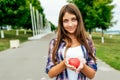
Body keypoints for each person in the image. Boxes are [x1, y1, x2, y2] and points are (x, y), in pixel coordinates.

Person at [45, 3, 97, 80]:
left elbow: (92, 75)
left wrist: (82, 65)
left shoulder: (88, 43)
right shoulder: (55, 43)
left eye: (73, 19)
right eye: (66, 21)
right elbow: (50, 74)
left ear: (79, 20)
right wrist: (64, 64)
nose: (70, 24)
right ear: (61, 23)